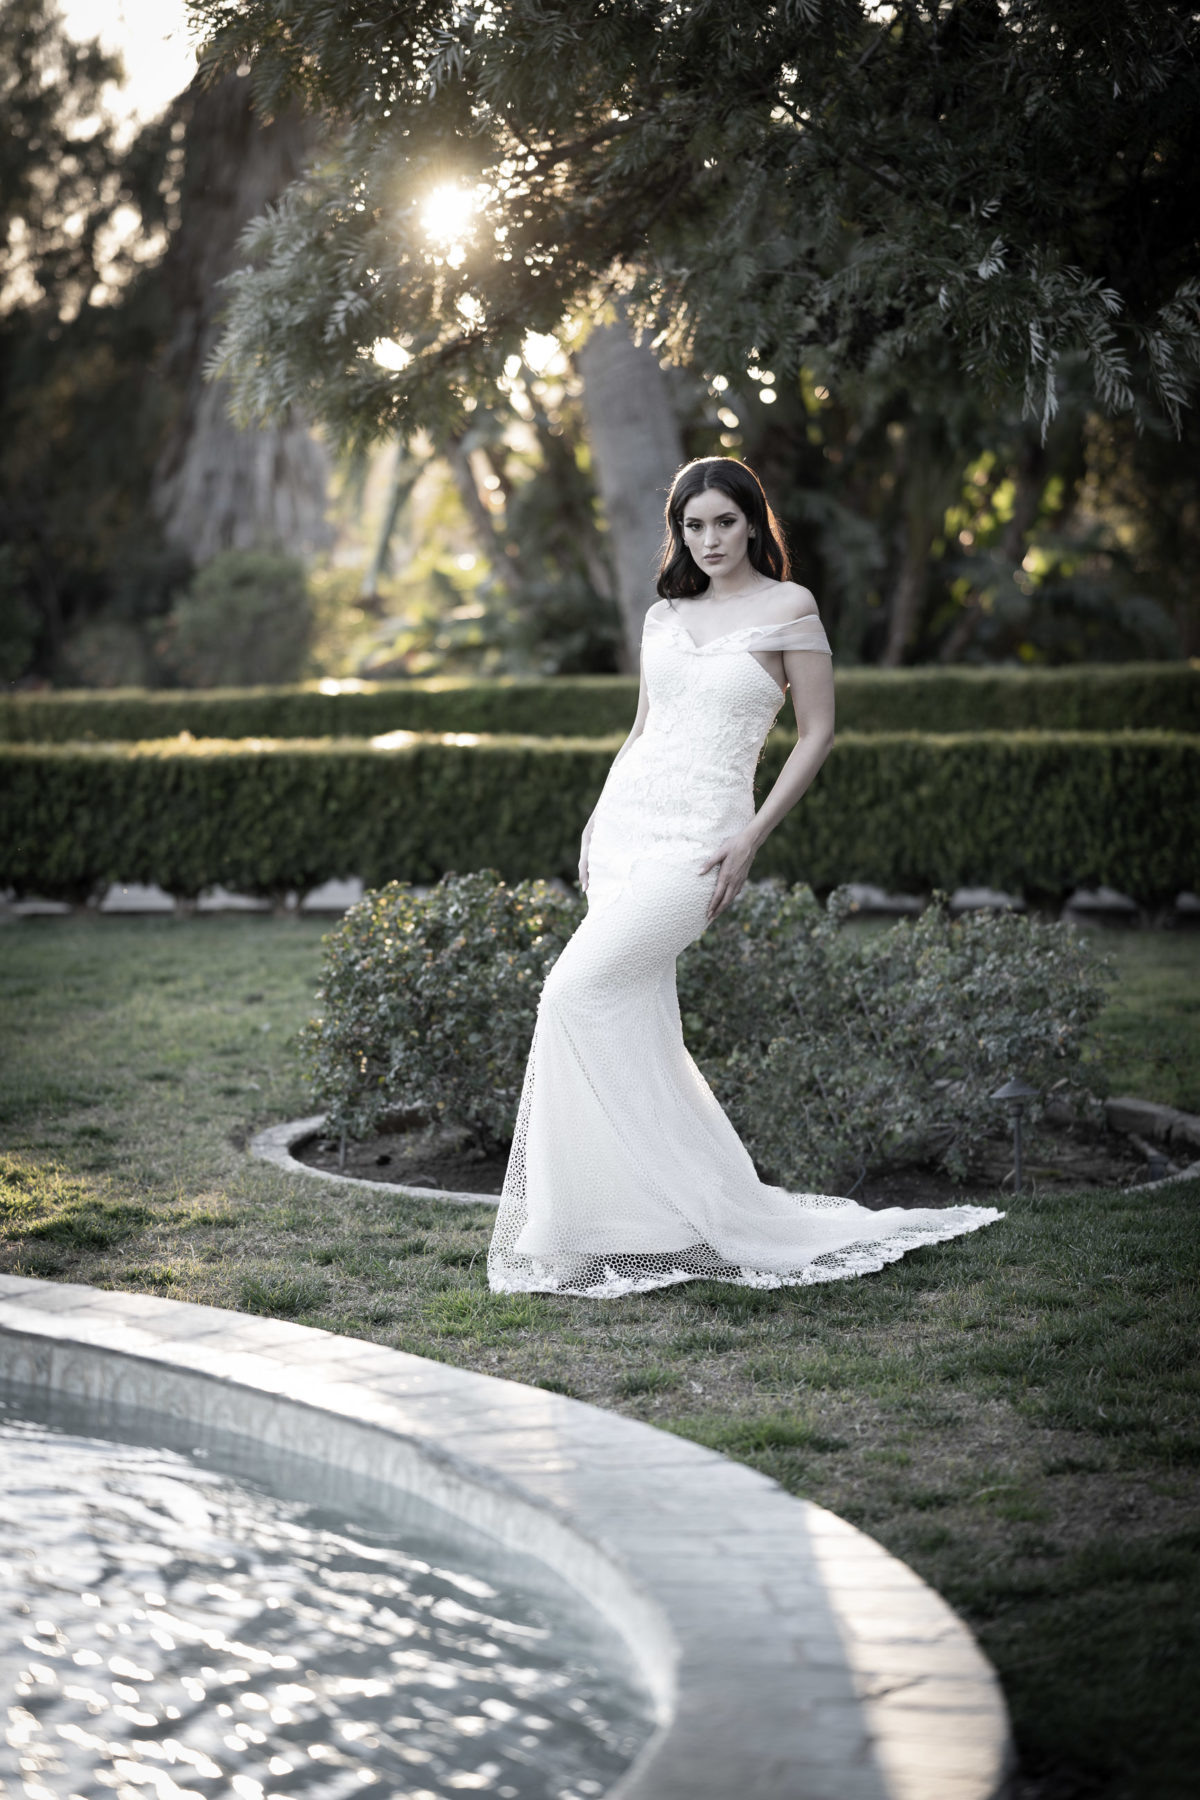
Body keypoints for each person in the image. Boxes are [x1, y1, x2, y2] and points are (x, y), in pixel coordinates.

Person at [487, 457, 1001, 1298]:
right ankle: (598, 1224)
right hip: (625, 831)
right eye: (693, 526)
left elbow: (817, 733)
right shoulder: (664, 614)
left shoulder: (788, 607)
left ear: (754, 522)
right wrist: (592, 819)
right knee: (626, 1016)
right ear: (678, 533)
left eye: (724, 522)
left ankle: (668, 1212)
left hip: (703, 840)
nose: (710, 539)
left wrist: (751, 838)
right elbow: (643, 729)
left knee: (569, 993)